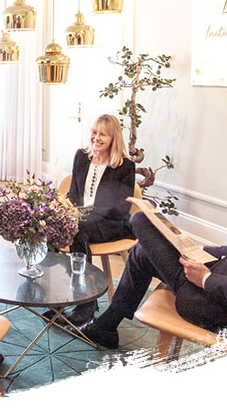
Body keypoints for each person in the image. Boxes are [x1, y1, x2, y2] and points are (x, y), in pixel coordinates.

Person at [67, 126, 227, 349]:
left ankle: (103, 326)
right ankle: (105, 327)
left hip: (215, 305)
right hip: (222, 276)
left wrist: (206, 279)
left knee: (140, 219)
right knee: (142, 252)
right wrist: (200, 249)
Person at [53, 114, 136, 326]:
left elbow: (120, 208)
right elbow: (73, 194)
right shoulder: (81, 156)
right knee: (50, 226)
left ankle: (86, 303)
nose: (96, 138)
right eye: (94, 132)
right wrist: (67, 211)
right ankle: (55, 294)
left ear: (113, 138)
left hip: (111, 223)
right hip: (81, 218)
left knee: (76, 230)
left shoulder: (124, 166)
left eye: (103, 134)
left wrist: (81, 217)